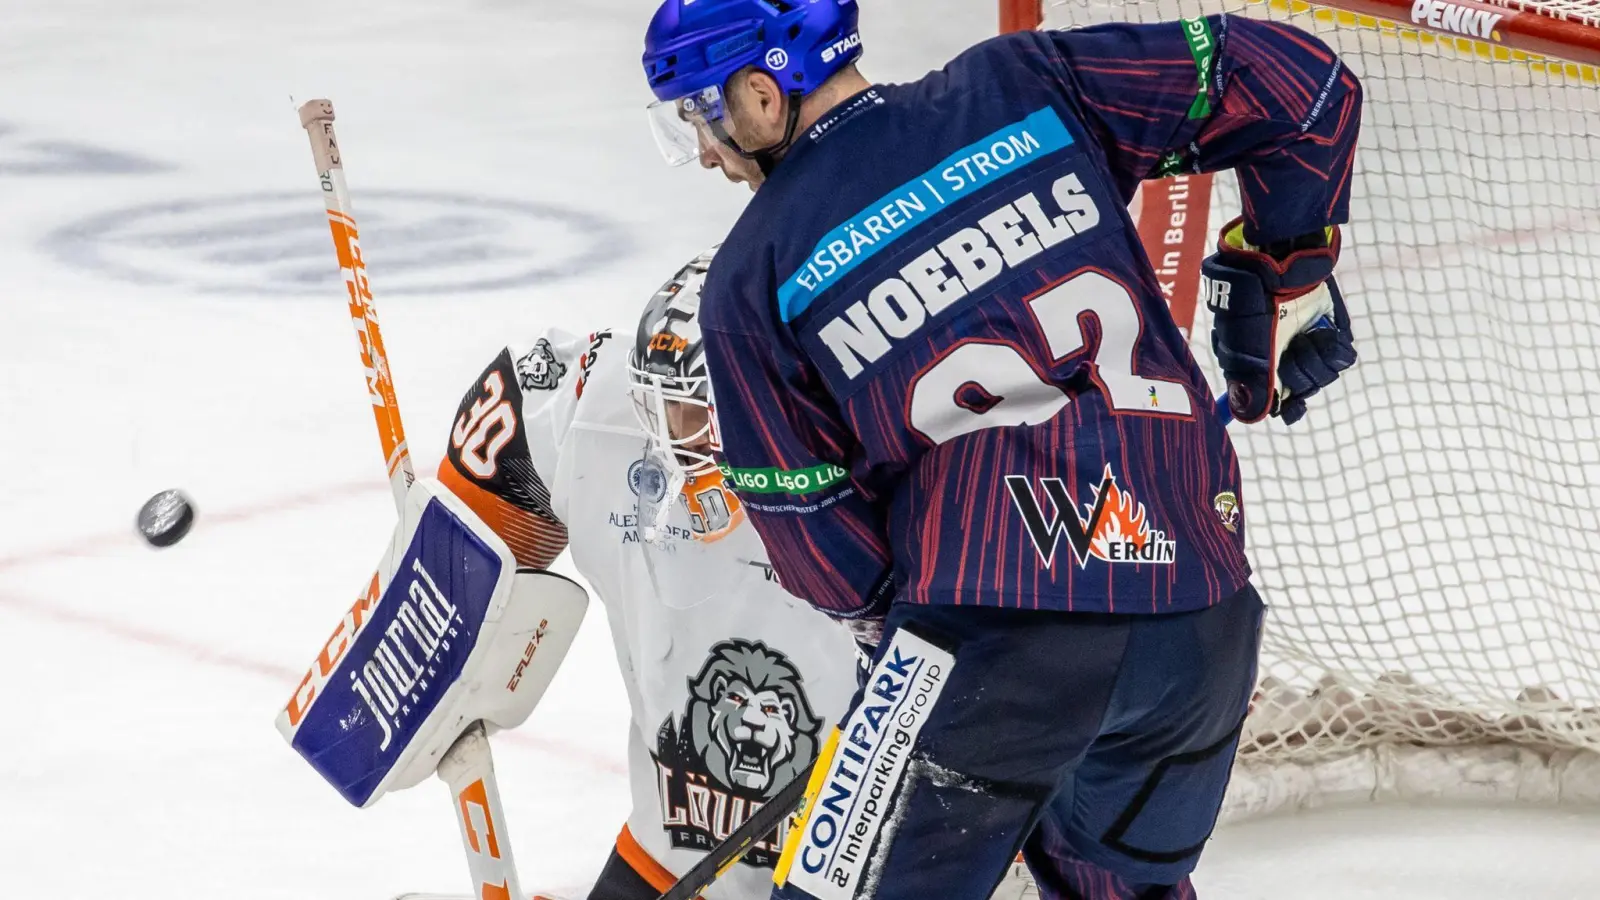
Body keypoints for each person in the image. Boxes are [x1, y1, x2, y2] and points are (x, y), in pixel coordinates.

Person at [639, 4, 1361, 899]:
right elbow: (1306, 87)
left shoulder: (750, 276)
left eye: (701, 114)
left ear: (760, 90)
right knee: (1116, 887)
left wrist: (907, 665)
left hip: (990, 642)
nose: (706, 149)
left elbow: (815, 541)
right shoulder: (1023, 81)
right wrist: (1281, 269)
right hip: (1202, 623)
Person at [435, 247, 1034, 900]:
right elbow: (528, 401)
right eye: (663, 412)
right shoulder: (603, 409)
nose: (676, 445)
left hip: (869, 873)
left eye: (698, 416)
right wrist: (445, 606)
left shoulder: (915, 475)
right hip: (675, 849)